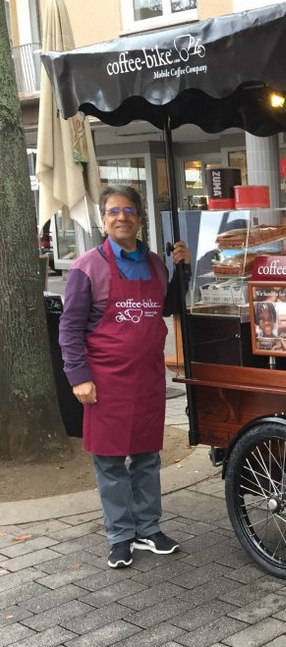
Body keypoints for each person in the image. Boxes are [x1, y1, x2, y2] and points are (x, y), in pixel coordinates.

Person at [59, 184, 190, 569]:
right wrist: (77, 376)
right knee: (111, 462)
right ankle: (120, 536)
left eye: (129, 210)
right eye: (114, 211)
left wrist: (181, 270)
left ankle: (149, 528)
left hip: (148, 378)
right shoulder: (88, 267)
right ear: (103, 220)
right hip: (104, 381)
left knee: (147, 457)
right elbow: (69, 328)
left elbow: (167, 307)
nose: (122, 217)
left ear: (139, 218)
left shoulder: (153, 263)